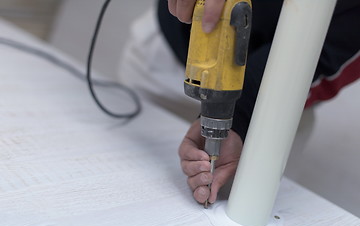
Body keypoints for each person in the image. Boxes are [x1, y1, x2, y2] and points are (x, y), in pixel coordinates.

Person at [119, 0, 360, 205]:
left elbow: (324, 52)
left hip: (273, 107)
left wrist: (241, 118)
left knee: (248, 208)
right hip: (167, 58)